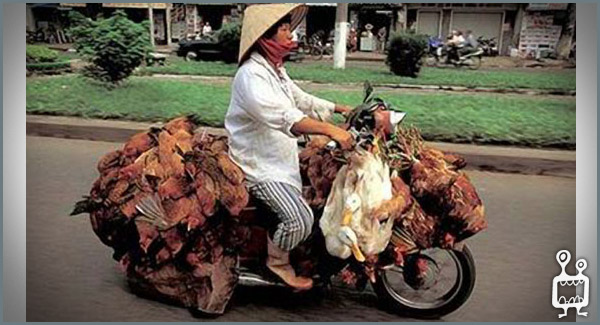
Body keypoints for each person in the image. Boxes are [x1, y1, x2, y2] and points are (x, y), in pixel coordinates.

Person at [224, 4, 354, 290]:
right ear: (264, 38)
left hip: (280, 157)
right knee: (300, 219)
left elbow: (301, 99)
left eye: (288, 28)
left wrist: (342, 109)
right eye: (284, 29)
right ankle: (276, 263)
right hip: (259, 166)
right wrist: (330, 130)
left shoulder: (275, 70)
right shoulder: (251, 76)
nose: (290, 34)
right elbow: (286, 117)